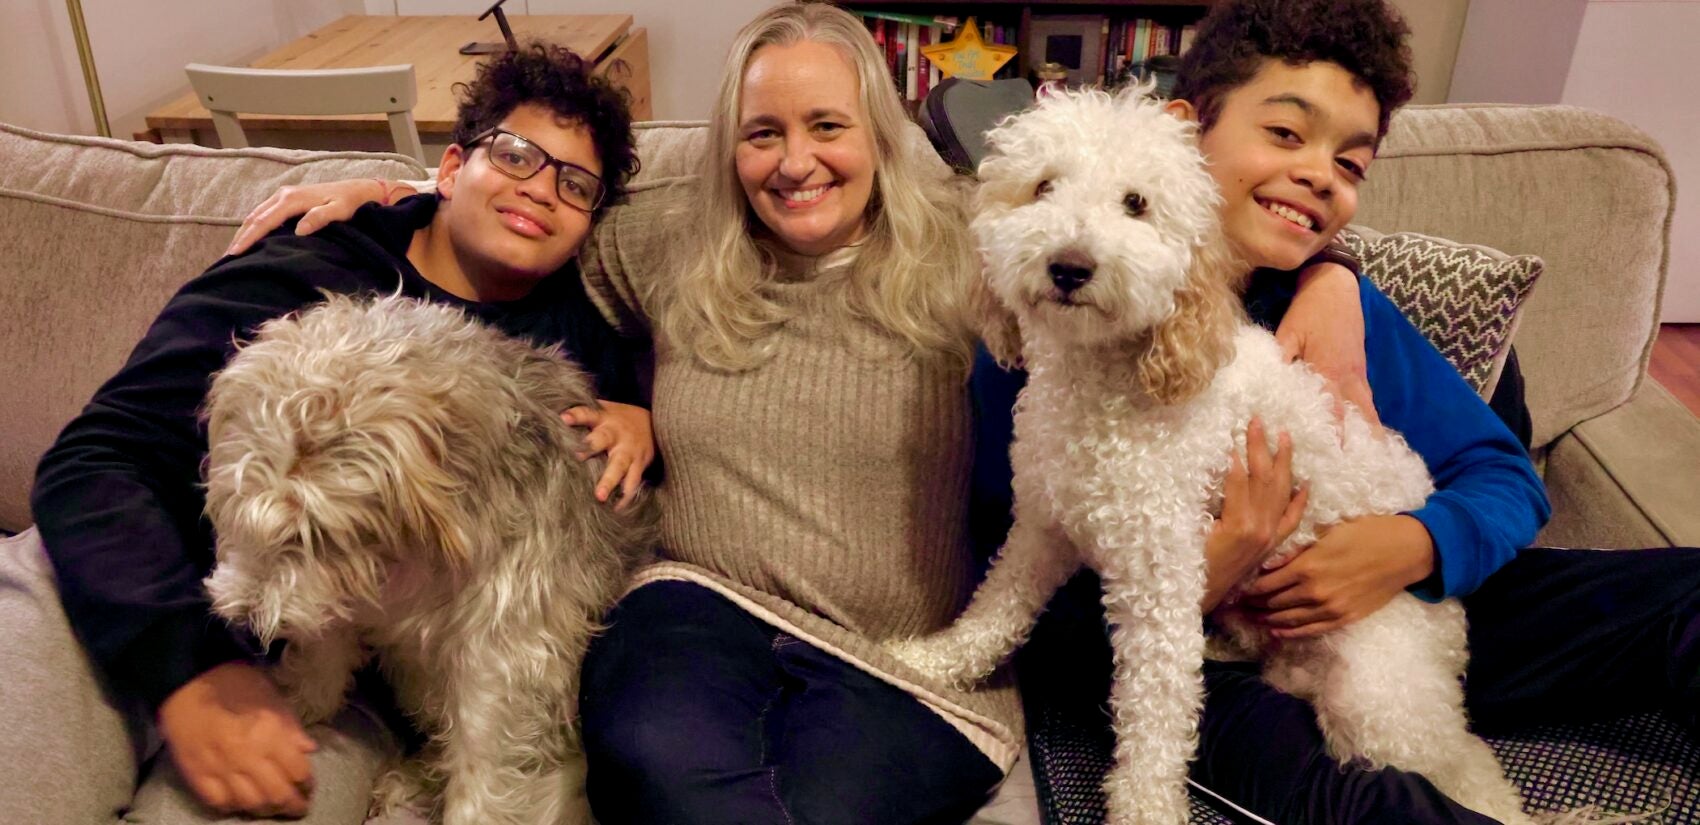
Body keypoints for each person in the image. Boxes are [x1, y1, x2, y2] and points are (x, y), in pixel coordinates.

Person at [218, 4, 1385, 822]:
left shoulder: (969, 238)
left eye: (825, 127)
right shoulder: (672, 240)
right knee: (651, 760)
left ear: (874, 133)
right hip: (697, 611)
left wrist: (1332, 278)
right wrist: (407, 194)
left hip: (907, 662)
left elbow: (1152, 256)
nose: (794, 162)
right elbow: (528, 226)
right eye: (762, 132)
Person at [976, 0, 1700, 822]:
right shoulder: (1054, 319)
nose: (1321, 173)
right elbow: (1041, 599)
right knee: (1364, 803)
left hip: (1403, 603)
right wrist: (1221, 561)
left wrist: (1409, 543)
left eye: (1350, 164)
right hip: (1197, 657)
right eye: (1286, 133)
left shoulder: (1345, 308)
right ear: (1179, 131)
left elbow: (1506, 477)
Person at [10, 43, 651, 824]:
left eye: (574, 183)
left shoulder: (575, 345)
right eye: (514, 155)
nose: (539, 189)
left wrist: (645, 418)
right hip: (119, 574)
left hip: (339, 661)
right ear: (450, 168)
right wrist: (187, 669)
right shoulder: (310, 260)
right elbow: (94, 458)